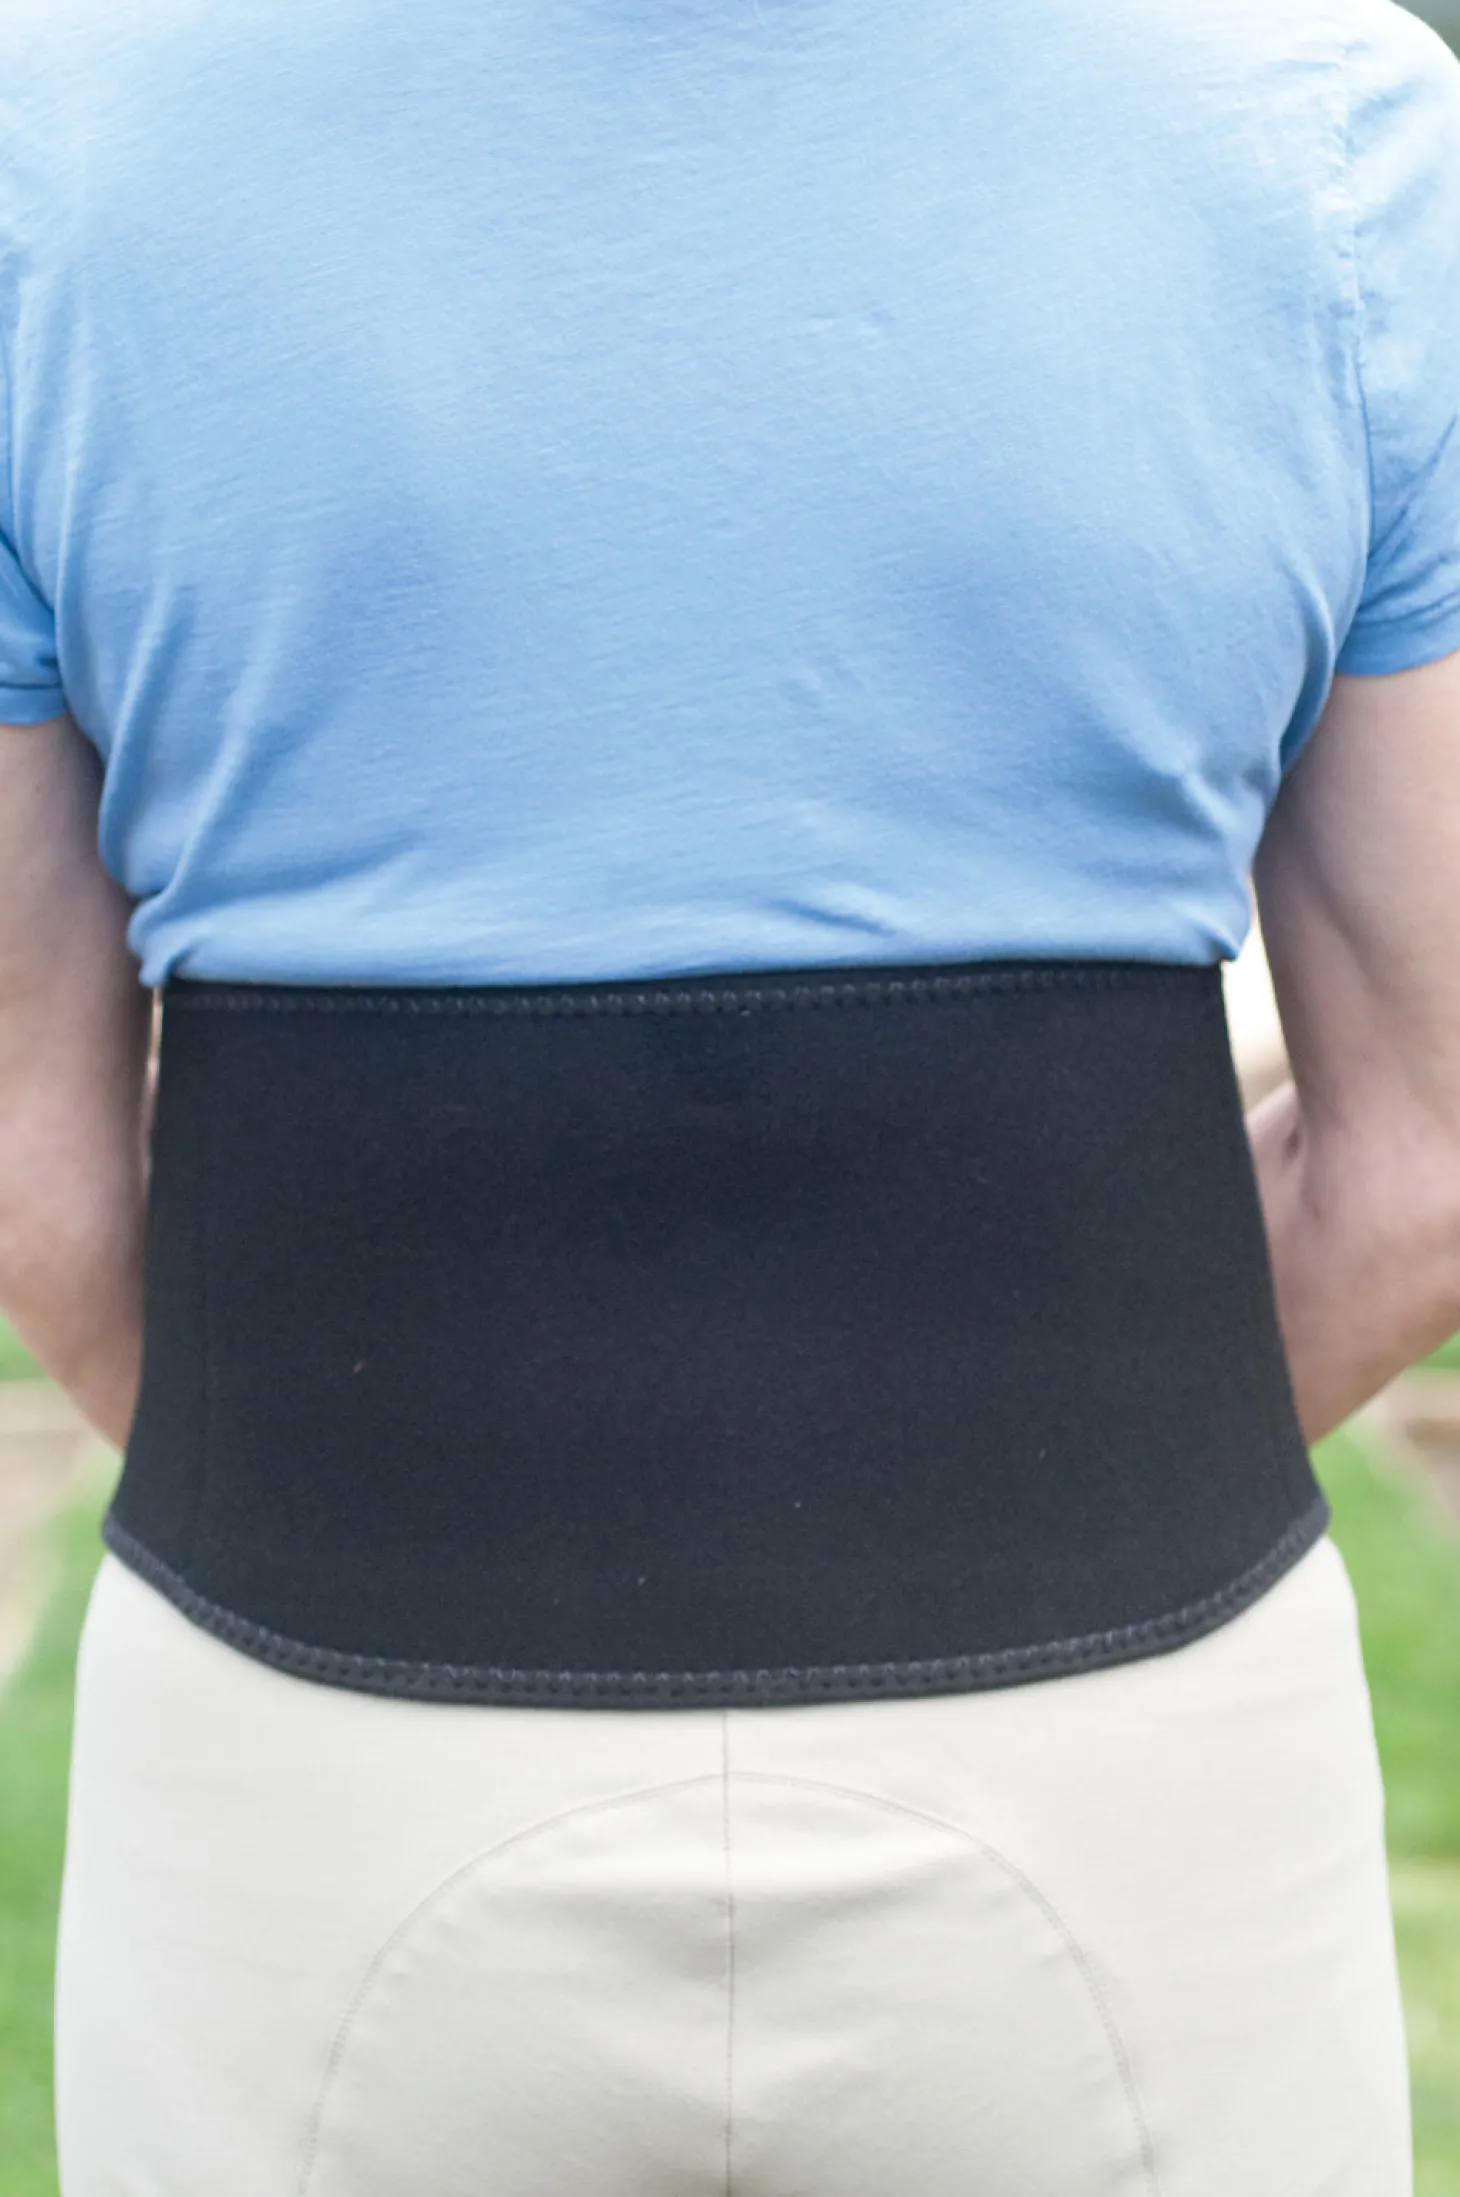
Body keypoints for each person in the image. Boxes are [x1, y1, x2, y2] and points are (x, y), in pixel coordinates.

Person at [2, 0, 1459, 2187]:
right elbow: (1427, 1157)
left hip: (307, 1746)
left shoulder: (53, 140)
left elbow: (33, 1170)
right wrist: (1029, 1474)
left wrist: (369, 1474)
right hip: (1126, 1761)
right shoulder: (1327, 128)